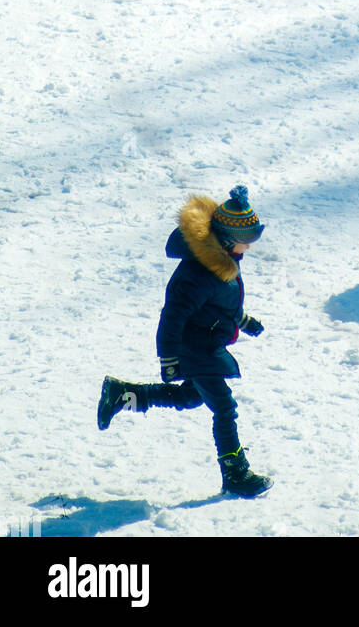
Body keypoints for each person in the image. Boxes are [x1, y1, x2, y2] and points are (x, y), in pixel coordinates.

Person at [97, 185, 273, 499]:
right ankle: (235, 472)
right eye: (248, 241)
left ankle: (123, 394)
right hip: (196, 349)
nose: (250, 247)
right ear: (230, 240)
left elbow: (220, 304)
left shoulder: (221, 263)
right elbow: (172, 317)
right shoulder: (199, 274)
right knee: (224, 407)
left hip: (205, 345)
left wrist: (244, 321)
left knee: (189, 398)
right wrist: (168, 359)